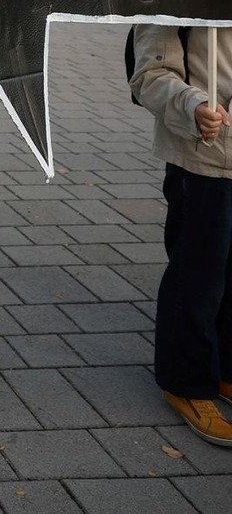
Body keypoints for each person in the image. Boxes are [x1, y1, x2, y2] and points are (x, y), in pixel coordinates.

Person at [130, 24, 232, 446]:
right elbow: (148, 77)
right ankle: (186, 382)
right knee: (199, 276)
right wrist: (193, 107)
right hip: (204, 156)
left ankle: (224, 367)